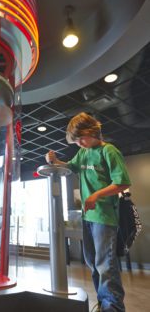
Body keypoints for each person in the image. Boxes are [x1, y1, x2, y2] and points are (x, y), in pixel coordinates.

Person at [46, 112, 130, 312]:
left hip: (104, 217)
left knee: (105, 266)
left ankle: (114, 308)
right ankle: (103, 304)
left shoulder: (108, 151)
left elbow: (122, 182)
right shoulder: (83, 153)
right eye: (76, 141)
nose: (79, 144)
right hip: (88, 217)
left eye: (80, 138)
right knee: (93, 263)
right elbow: (70, 167)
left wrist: (96, 196)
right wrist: (55, 160)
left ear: (92, 131)